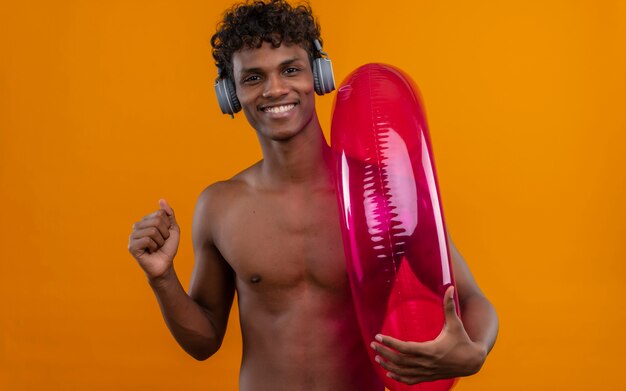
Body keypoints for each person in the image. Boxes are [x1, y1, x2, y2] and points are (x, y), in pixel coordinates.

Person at [127, 1, 498, 389]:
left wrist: (476, 351)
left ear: (319, 75)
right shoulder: (220, 206)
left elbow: (471, 299)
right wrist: (162, 278)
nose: (275, 89)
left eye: (290, 69)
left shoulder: (384, 194)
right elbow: (203, 341)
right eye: (253, 78)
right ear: (230, 95)